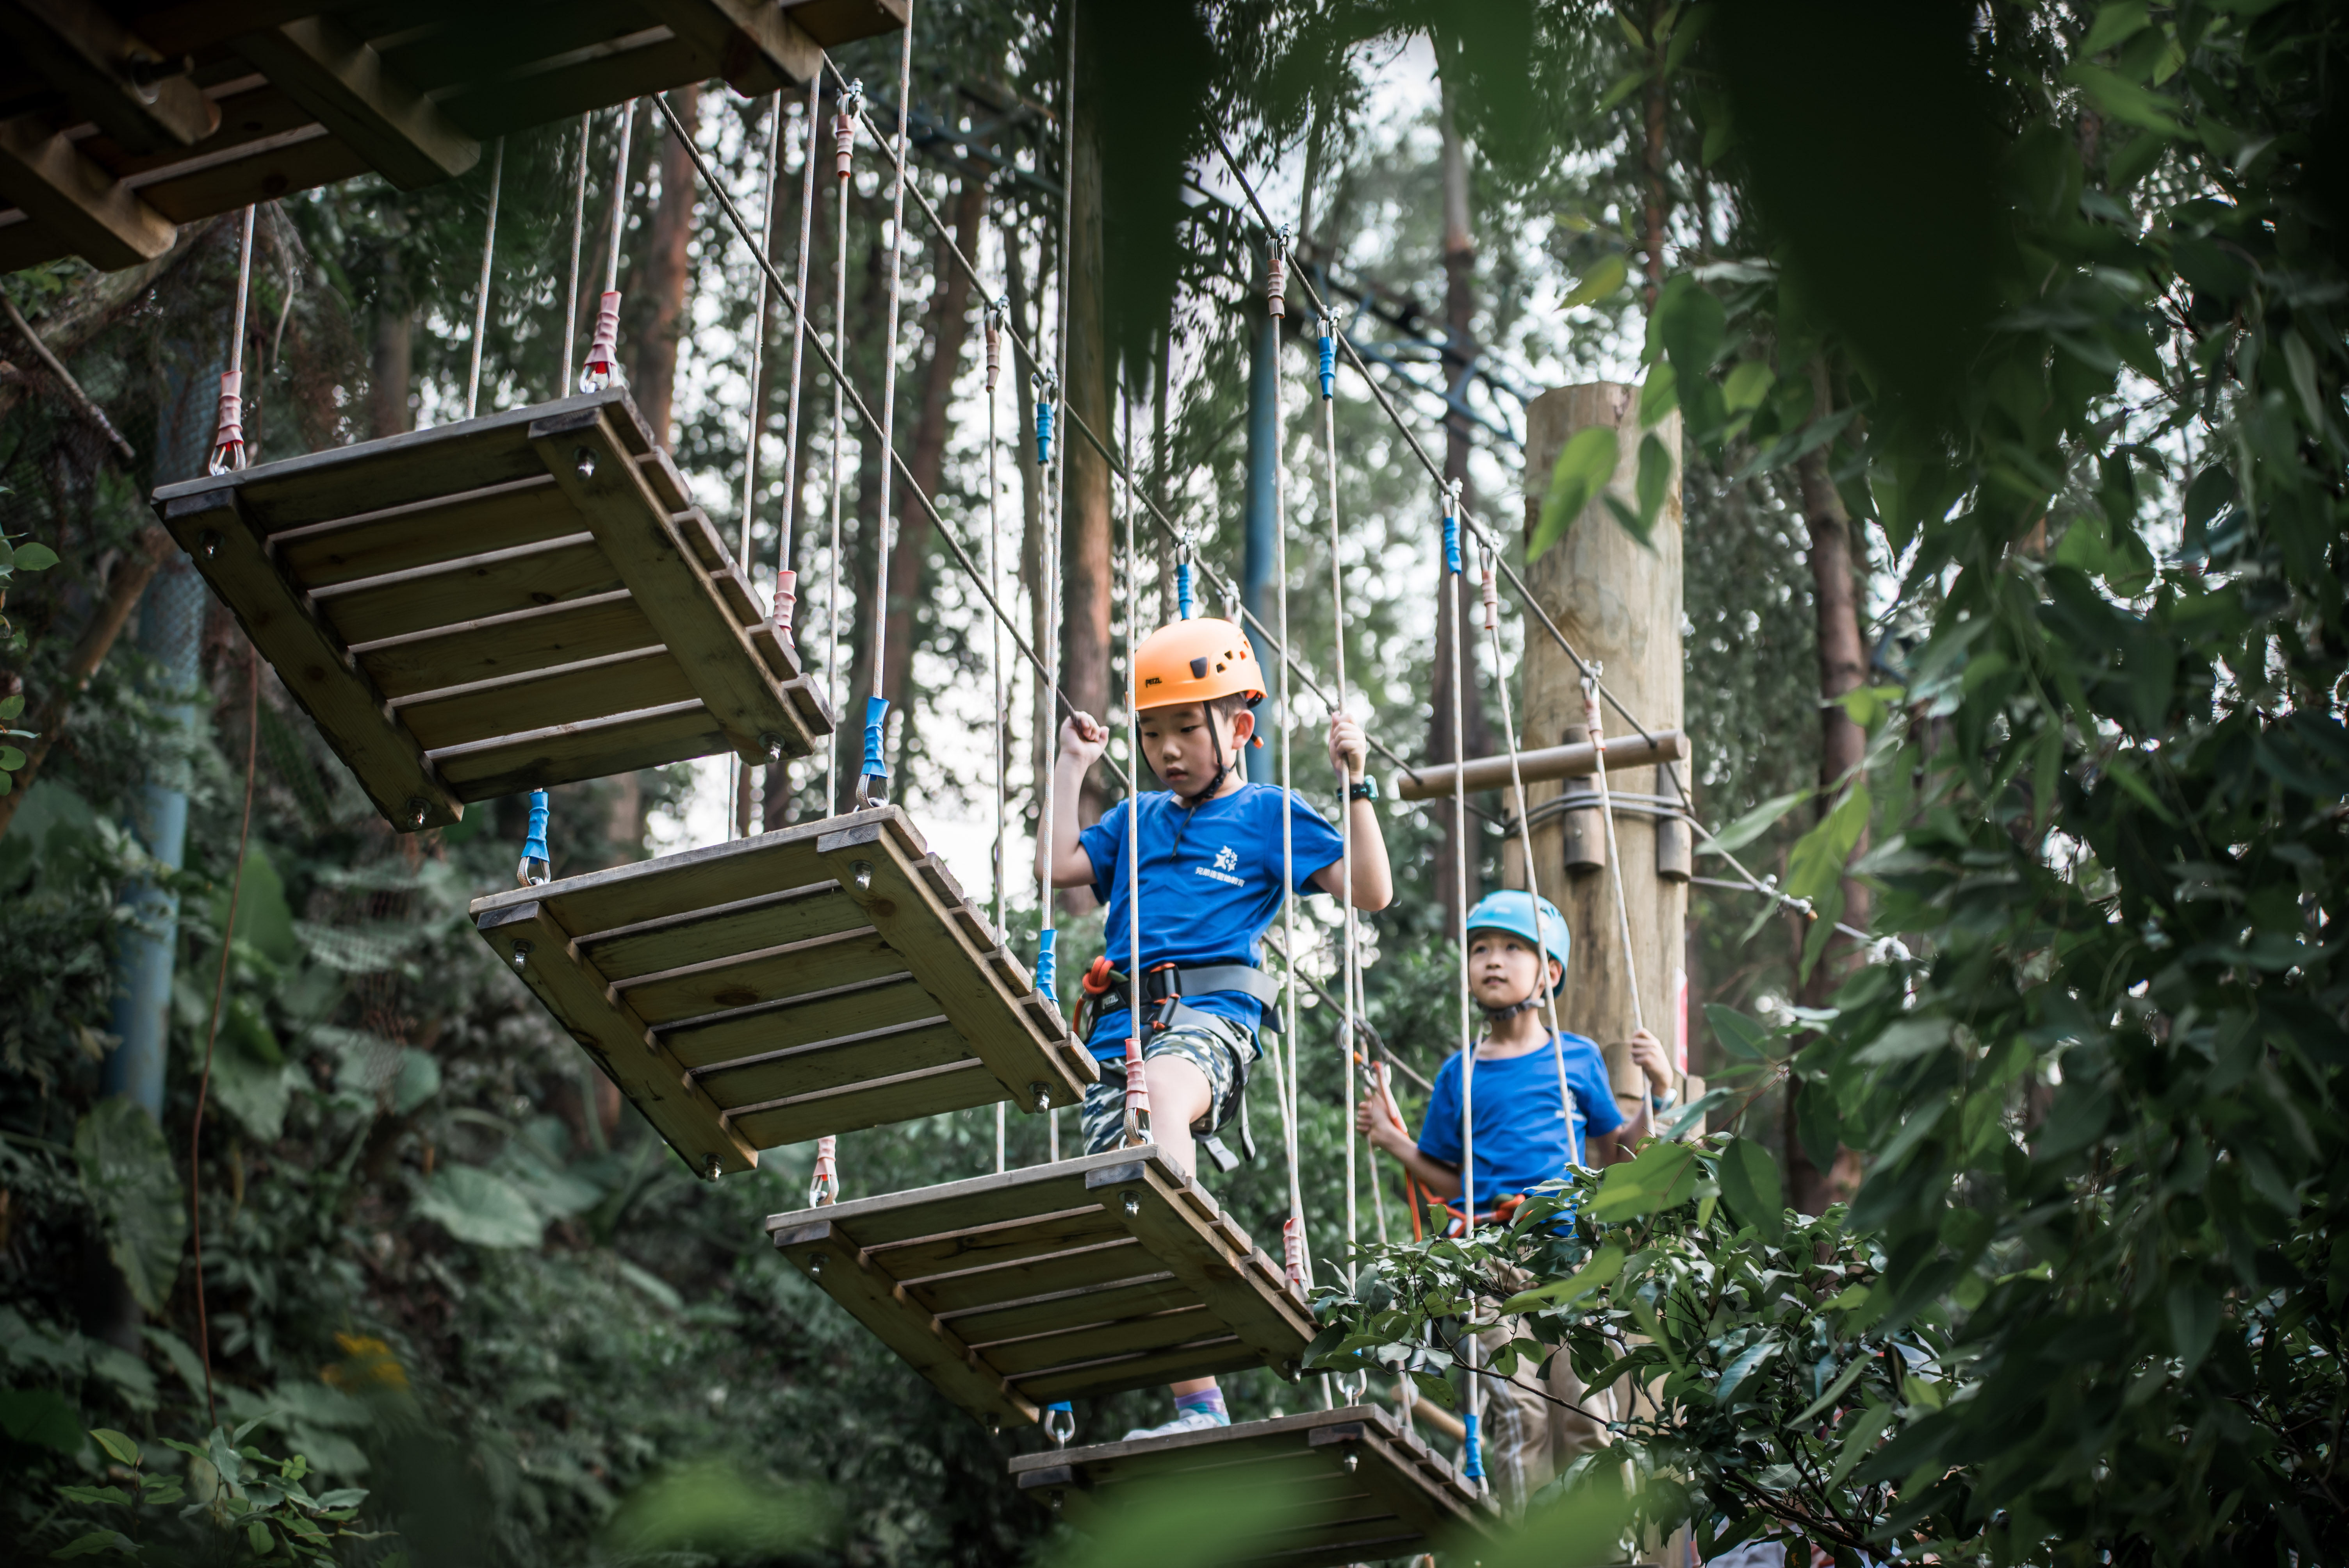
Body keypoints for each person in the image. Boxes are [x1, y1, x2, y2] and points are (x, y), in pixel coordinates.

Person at [1040, 616, 1393, 1440]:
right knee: (1125, 1214)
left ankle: (1189, 1224)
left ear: (1237, 728)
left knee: (1158, 1102)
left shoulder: (1268, 815)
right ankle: (1196, 1408)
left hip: (1208, 1022)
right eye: (1153, 732)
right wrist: (1071, 767)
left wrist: (1356, 783)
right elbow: (1057, 867)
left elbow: (1369, 890)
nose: (1168, 749)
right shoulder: (1134, 821)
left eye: (1186, 729)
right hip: (1119, 1031)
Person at [1355, 889, 1677, 1511]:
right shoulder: (1461, 1073)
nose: (1493, 961)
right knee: (1519, 1410)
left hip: (1573, 1255)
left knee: (1585, 1411)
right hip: (1491, 1256)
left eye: (1511, 949)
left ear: (1548, 973)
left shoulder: (1574, 1058)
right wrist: (1395, 1141)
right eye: (1480, 950)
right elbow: (1453, 1182)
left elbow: (1616, 1154)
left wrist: (1658, 1093)